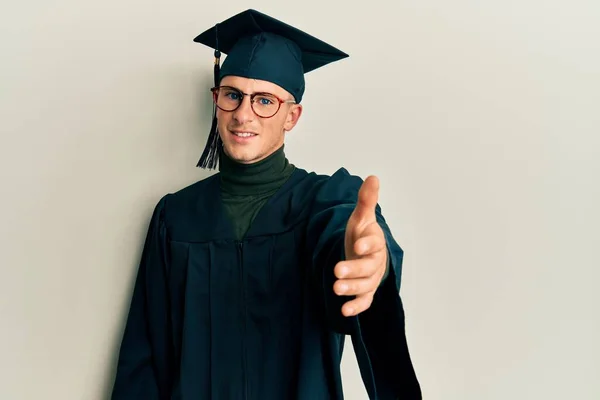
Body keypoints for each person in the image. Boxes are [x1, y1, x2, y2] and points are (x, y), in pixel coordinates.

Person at [111, 8, 421, 400]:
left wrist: (371, 263)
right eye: (232, 95)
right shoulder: (175, 217)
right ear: (216, 98)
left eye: (264, 101)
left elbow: (345, 238)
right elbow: (145, 354)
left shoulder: (325, 201)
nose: (243, 114)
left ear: (292, 116)